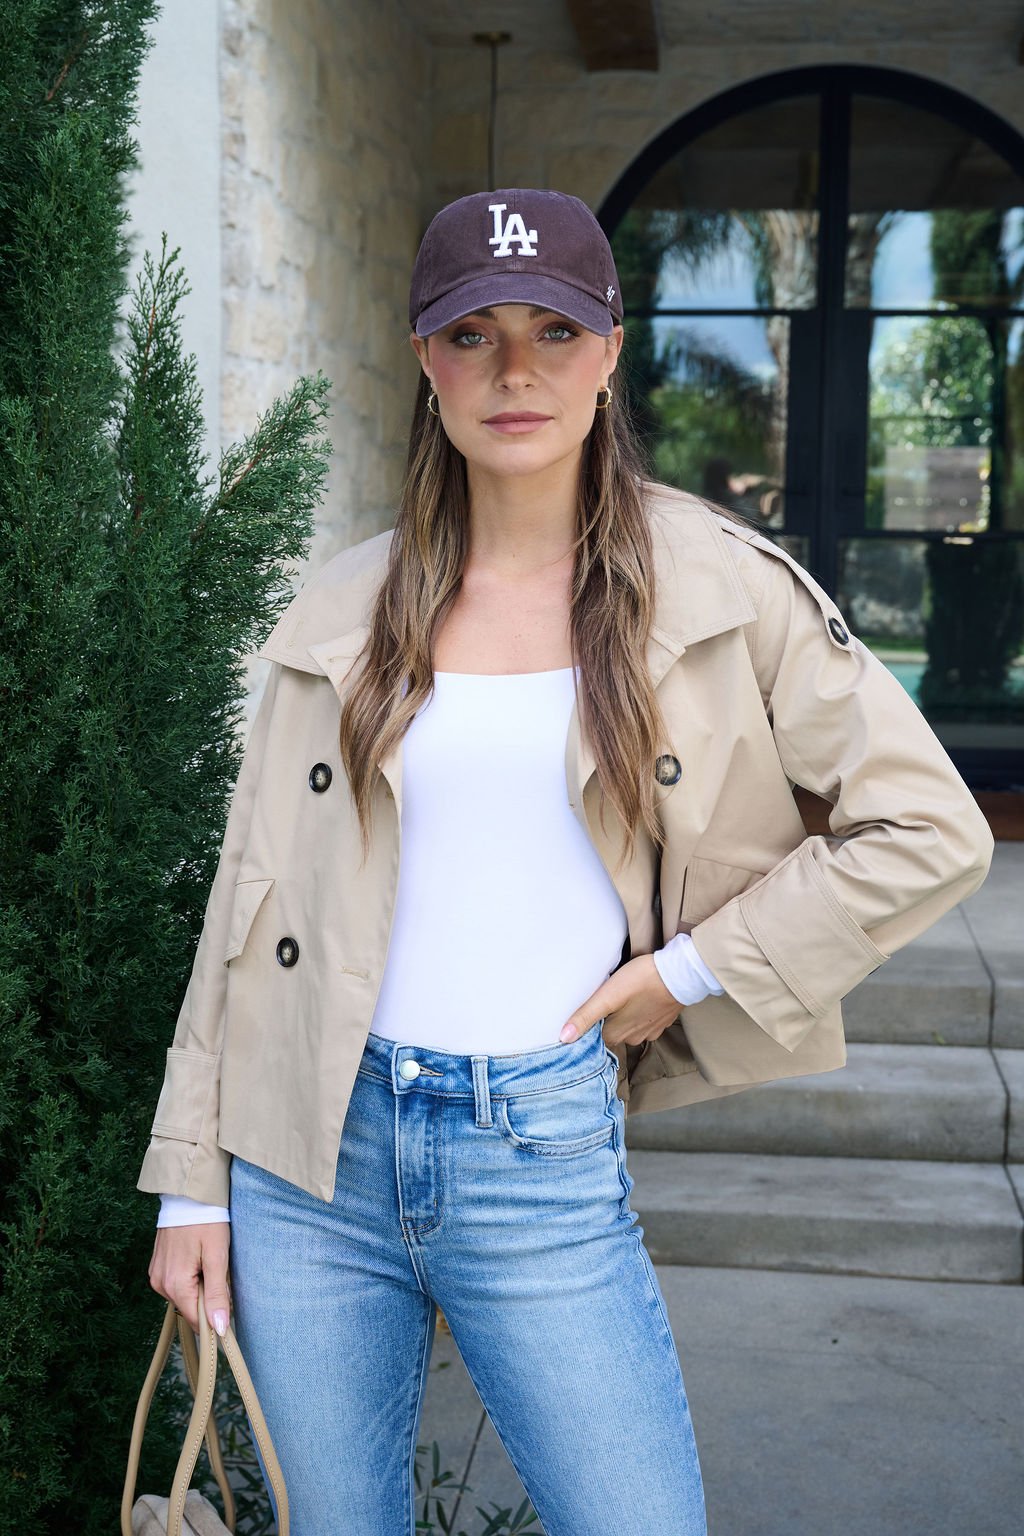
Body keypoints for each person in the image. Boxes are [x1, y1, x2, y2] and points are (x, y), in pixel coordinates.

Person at [141, 188, 994, 1535]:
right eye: (473, 335)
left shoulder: (727, 591)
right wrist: (193, 1182)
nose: (516, 370)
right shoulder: (341, 608)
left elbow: (929, 831)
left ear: (611, 351)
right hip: (308, 1158)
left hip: (533, 1145)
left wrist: (692, 971)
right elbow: (249, 907)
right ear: (427, 361)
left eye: (553, 331)